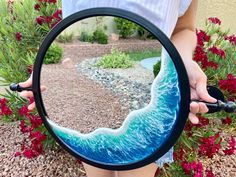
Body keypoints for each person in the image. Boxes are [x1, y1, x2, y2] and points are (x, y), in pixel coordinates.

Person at [19, 0, 216, 176]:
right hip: (87, 102)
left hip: (152, 101)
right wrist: (42, 70)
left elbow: (184, 29)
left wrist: (181, 65)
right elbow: (70, 22)